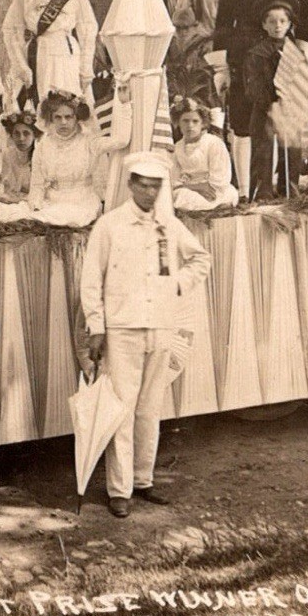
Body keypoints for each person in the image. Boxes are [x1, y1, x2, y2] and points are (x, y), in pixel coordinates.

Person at [81, 152, 211, 518]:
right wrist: (96, 326)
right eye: (144, 186)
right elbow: (91, 279)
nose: (151, 193)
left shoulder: (169, 225)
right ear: (130, 185)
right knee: (121, 410)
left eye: (156, 187)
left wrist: (178, 285)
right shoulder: (109, 225)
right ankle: (119, 490)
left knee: (150, 409)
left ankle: (143, 480)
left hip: (160, 325)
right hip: (122, 327)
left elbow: (201, 258)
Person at [212, 0, 308, 190]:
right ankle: (251, 190)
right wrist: (222, 67)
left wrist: (301, 54)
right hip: (246, 57)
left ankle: (287, 188)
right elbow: (223, 23)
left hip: (284, 56)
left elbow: (307, 17)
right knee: (246, 121)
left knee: (286, 120)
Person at [0, 82, 132, 227]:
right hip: (51, 200)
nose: (63, 122)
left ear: (76, 118)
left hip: (82, 201)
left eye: (68, 117)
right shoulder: (44, 145)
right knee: (9, 214)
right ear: (51, 119)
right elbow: (37, 183)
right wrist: (35, 206)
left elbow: (122, 141)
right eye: (58, 117)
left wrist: (125, 105)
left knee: (62, 216)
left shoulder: (89, 142)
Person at [2, 0, 98, 109]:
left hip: (66, 53)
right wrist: (21, 65)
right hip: (39, 53)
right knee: (42, 98)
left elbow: (88, 32)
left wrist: (85, 68)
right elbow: (11, 32)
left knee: (69, 97)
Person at [237, 0, 301, 201]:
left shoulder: (294, 52)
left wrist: (292, 98)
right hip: (265, 108)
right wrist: (270, 101)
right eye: (272, 22)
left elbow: (301, 79)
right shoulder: (256, 53)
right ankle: (262, 192)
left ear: (289, 24)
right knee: (262, 151)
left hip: (289, 109)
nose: (277, 26)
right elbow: (252, 86)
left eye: (282, 21)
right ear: (264, 25)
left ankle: (289, 190)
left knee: (291, 149)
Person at [165, 0, 228, 106]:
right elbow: (174, 30)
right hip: (187, 58)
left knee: (213, 100)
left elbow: (227, 22)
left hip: (214, 52)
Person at [170, 98, 238, 212]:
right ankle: (206, 208)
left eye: (195, 121)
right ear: (178, 123)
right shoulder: (177, 148)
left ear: (203, 123)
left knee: (227, 194)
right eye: (185, 121)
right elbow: (174, 179)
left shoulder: (214, 143)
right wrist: (195, 187)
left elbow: (220, 178)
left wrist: (206, 187)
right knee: (180, 195)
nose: (190, 125)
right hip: (189, 189)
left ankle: (211, 207)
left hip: (213, 190)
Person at [0, 109, 38, 205]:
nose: (21, 138)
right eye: (17, 133)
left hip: (31, 202)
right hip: (8, 200)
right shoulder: (7, 154)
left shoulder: (40, 156)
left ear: (34, 135)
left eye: (26, 133)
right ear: (11, 135)